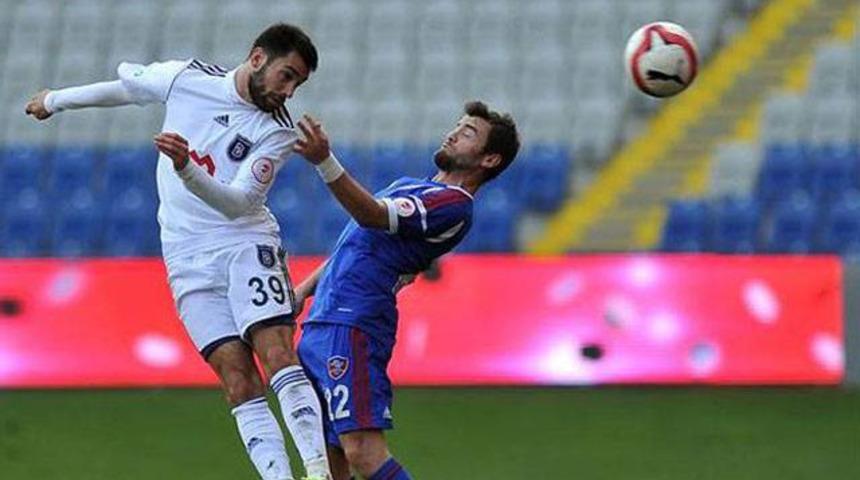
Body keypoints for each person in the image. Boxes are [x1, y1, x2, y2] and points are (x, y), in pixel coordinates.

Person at [25, 24, 331, 480]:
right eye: (286, 76)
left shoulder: (279, 131)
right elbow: (127, 89)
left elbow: (239, 202)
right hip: (185, 257)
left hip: (244, 243)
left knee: (276, 354)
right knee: (237, 380)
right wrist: (54, 101)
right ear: (257, 58)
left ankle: (318, 470)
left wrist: (186, 167)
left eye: (297, 84)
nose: (288, 91)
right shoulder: (188, 79)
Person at [291, 101, 520, 479]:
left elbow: (372, 215)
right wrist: (302, 292)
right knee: (332, 464)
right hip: (324, 322)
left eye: (468, 133)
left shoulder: (453, 205)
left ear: (490, 159)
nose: (453, 133)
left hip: (355, 325)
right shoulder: (414, 187)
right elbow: (355, 243)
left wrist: (325, 162)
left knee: (363, 452)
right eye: (457, 125)